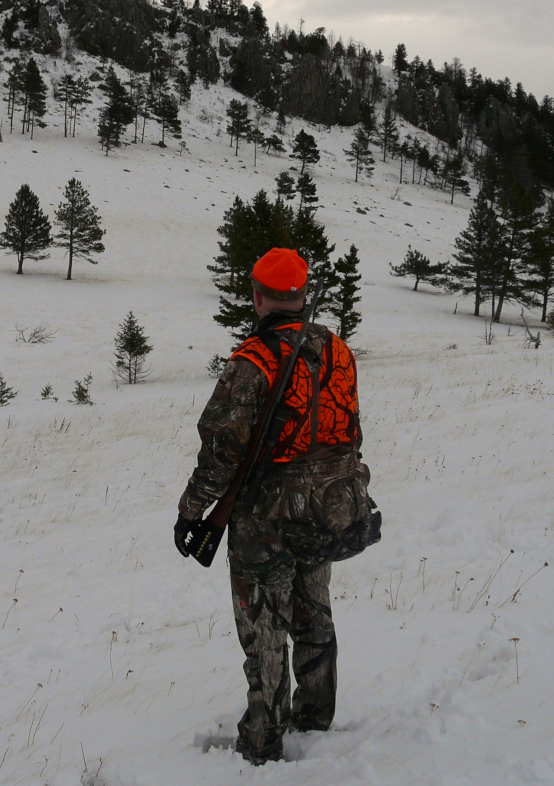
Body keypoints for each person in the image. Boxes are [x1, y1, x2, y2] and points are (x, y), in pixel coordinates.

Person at [175, 247, 375, 765]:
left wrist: (191, 510)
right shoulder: (338, 351)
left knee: (265, 627)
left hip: (267, 517)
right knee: (314, 612)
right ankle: (315, 719)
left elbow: (220, 448)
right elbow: (346, 428)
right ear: (302, 295)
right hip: (327, 507)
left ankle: (262, 741)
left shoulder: (253, 360)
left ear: (259, 297)